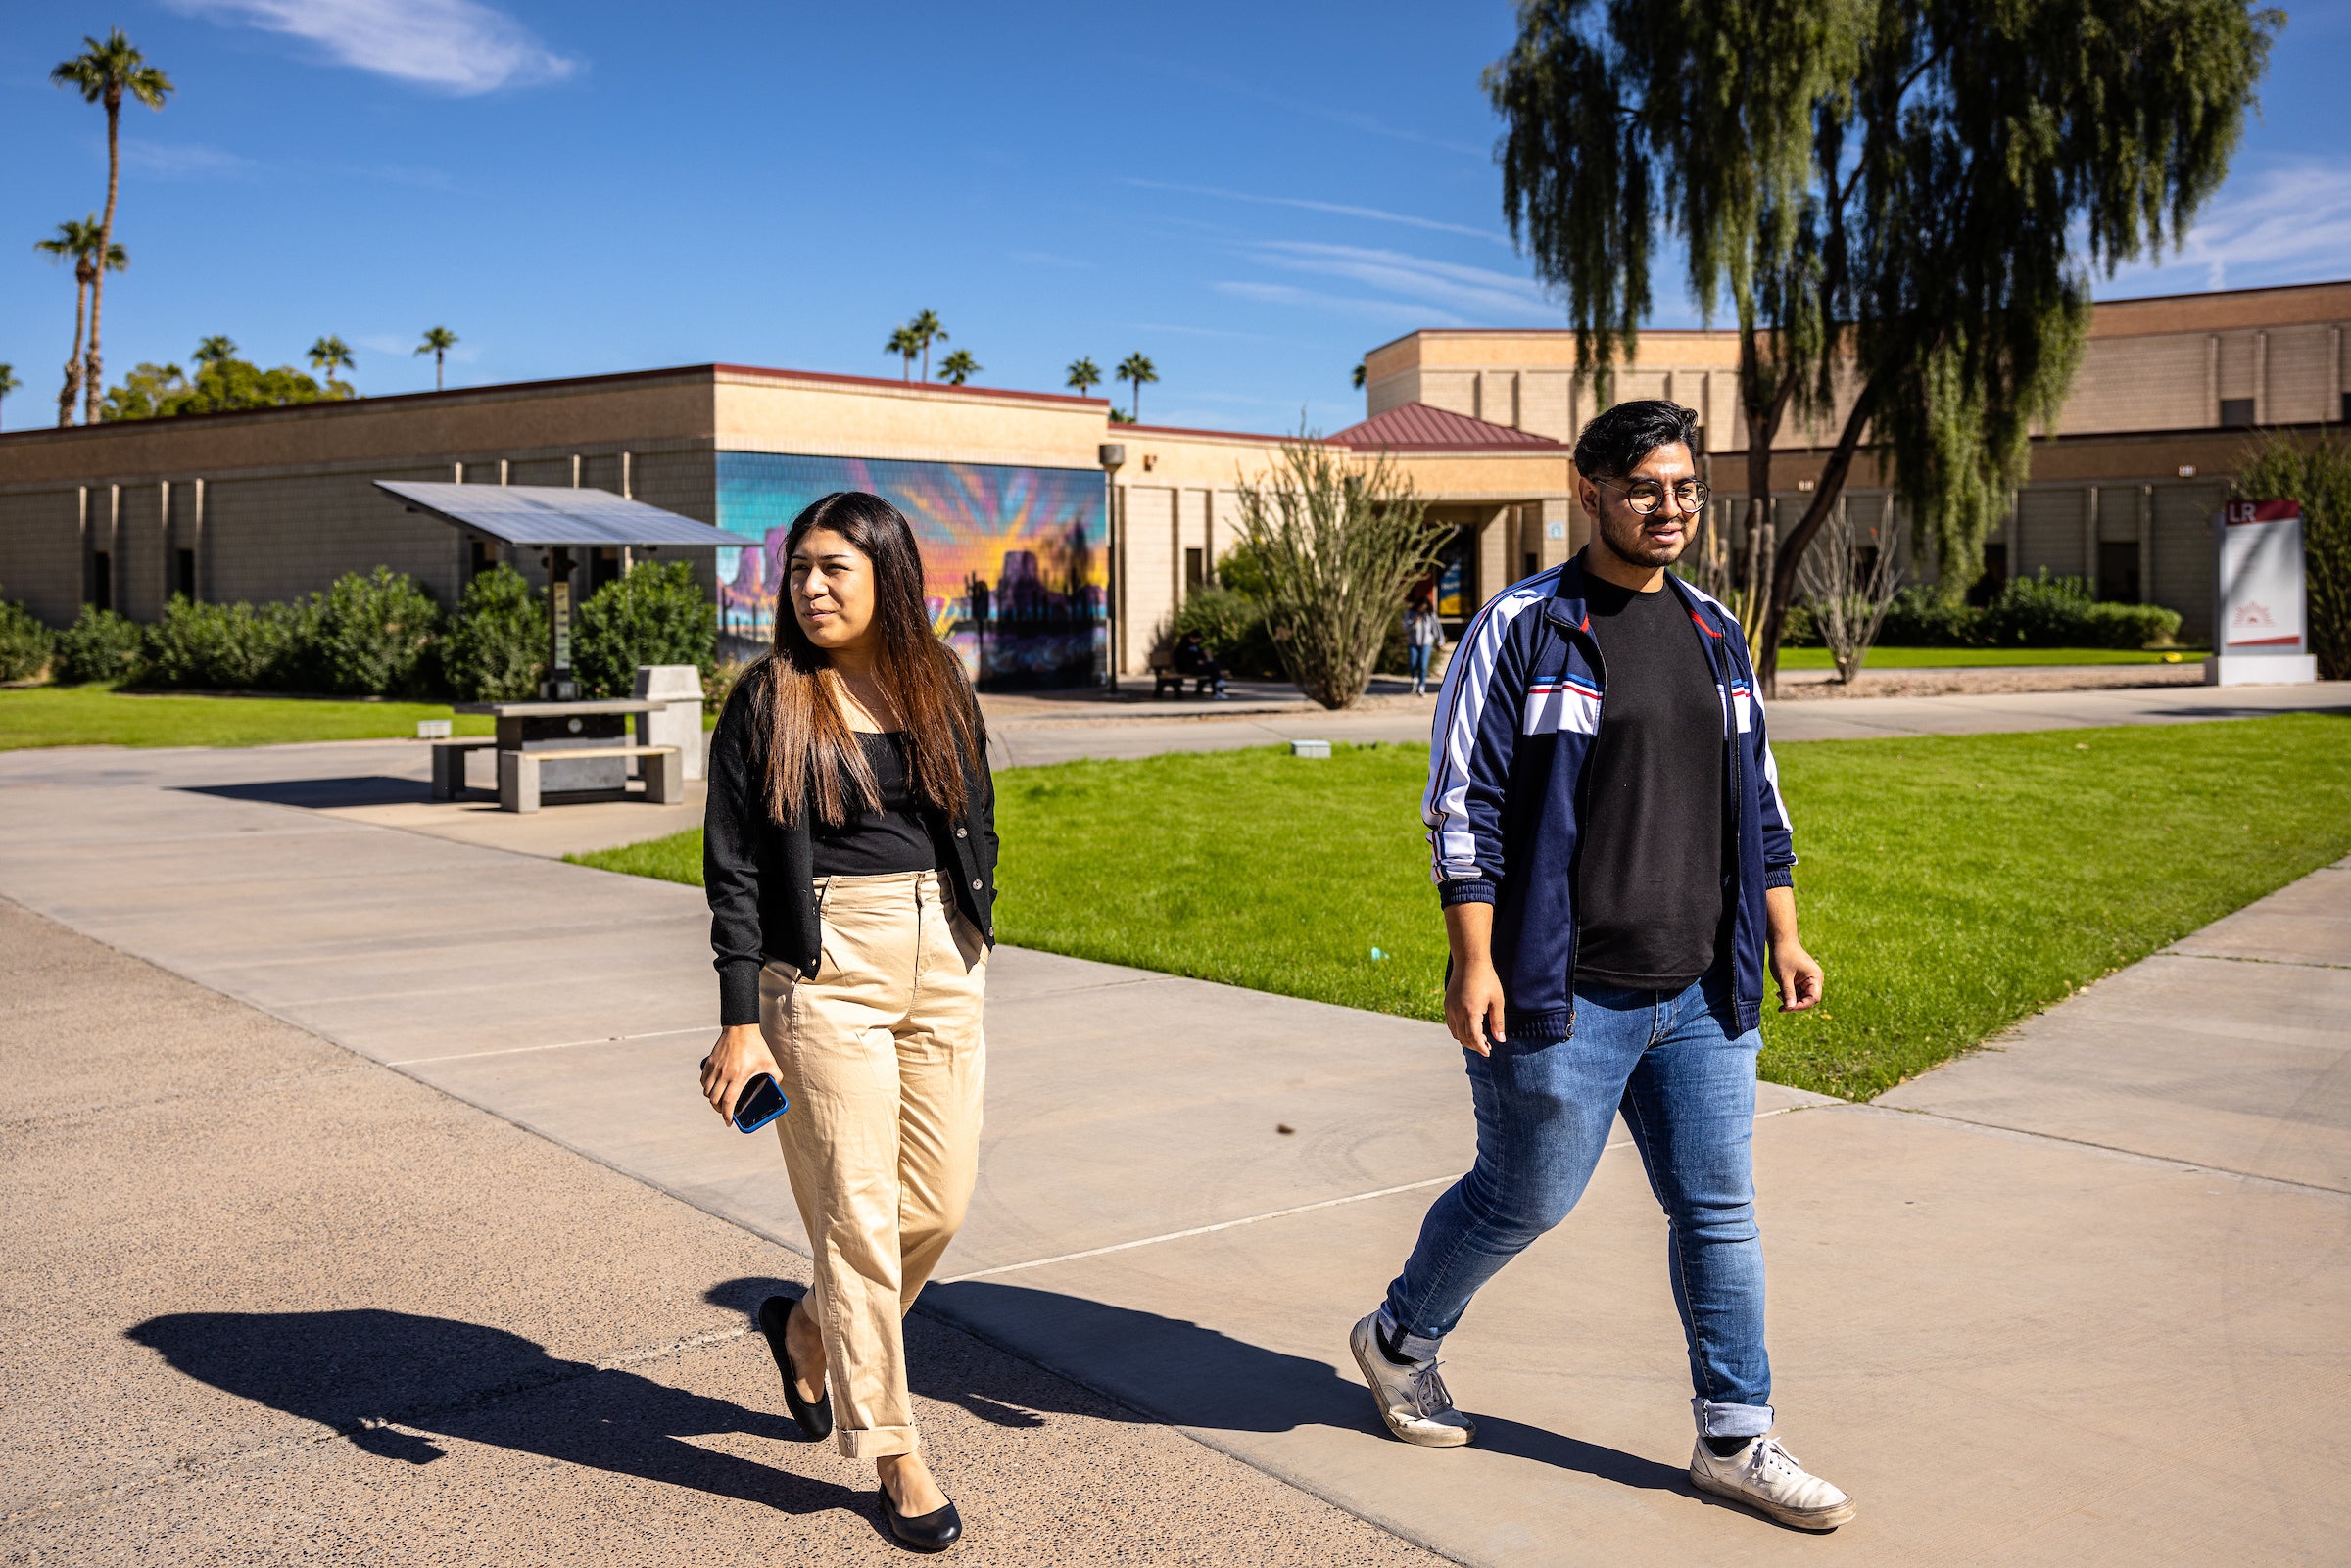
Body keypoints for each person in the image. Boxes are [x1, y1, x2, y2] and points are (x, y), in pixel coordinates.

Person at [1348, 400, 1855, 1532]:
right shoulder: (1527, 624)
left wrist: (1783, 931)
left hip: (1702, 990)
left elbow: (1759, 807)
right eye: (1643, 489)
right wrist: (1469, 958)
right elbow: (1461, 804)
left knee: (1718, 1209)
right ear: (1587, 490)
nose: (1668, 509)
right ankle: (1397, 1338)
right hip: (1562, 987)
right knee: (1525, 1195)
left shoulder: (1718, 631)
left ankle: (1736, 1434)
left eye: (1684, 488)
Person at [701, 490, 997, 1554]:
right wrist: (742, 1021)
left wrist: (974, 925)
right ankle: (896, 1450)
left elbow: (978, 813)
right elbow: (734, 871)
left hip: (944, 956)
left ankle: (804, 1327)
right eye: (800, 569)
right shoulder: (771, 698)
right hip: (823, 967)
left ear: (887, 573)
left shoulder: (936, 682)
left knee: (940, 1200)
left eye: (836, 567)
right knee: (859, 1218)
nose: (813, 587)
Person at [1403, 595, 1445, 696]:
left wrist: (1440, 642)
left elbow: (1436, 629)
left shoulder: (1430, 615)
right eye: (1422, 606)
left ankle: (1422, 687)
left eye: (1425, 606)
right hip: (1413, 643)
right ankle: (1414, 679)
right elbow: (1404, 627)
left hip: (1426, 644)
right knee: (1413, 663)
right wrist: (1414, 623)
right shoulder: (1410, 613)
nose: (1423, 609)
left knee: (1423, 665)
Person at [1173, 629, 1229, 697]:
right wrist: (1195, 661)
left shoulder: (1195, 645)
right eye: (1196, 639)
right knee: (1212, 670)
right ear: (1191, 637)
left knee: (1212, 665)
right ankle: (1219, 683)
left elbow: (1200, 654)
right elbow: (1181, 659)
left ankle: (1218, 686)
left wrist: (1204, 659)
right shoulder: (1182, 646)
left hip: (1196, 667)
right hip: (1187, 668)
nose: (1197, 641)